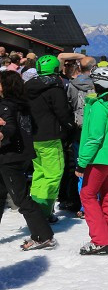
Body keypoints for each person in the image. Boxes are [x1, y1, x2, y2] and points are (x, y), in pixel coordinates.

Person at [74, 66, 108, 255]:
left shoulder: (99, 107)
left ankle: (101, 240)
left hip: (100, 158)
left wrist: (82, 162)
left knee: (87, 195)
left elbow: (94, 138)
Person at [0, 70, 55, 250]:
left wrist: (2, 133)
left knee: (21, 198)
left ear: (5, 86)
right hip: (21, 154)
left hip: (9, 157)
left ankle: (43, 236)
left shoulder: (6, 105)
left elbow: (10, 128)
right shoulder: (22, 103)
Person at [25, 54, 75, 220]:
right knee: (53, 174)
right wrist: (70, 127)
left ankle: (36, 208)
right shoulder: (55, 88)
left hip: (32, 137)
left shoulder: (28, 86)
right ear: (55, 69)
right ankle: (44, 212)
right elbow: (63, 113)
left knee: (39, 173)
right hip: (50, 137)